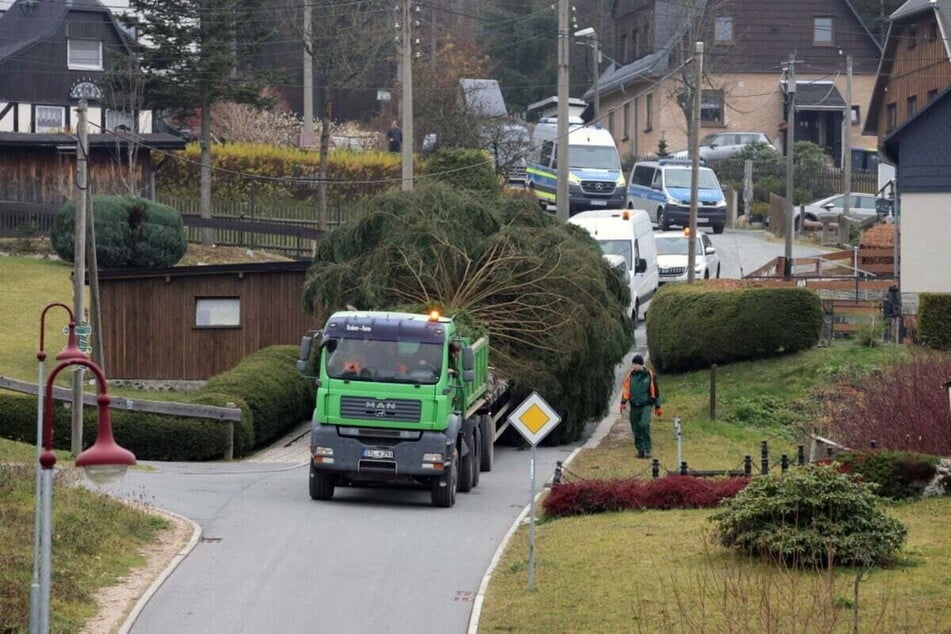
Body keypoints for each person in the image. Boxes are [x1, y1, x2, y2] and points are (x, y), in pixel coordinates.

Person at [620, 354, 662, 459]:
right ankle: (640, 450)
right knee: (635, 428)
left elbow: (656, 391)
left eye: (635, 364)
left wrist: (657, 406)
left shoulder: (649, 375)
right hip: (634, 405)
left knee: (644, 424)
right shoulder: (630, 376)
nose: (633, 366)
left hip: (646, 404)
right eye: (633, 364)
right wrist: (623, 402)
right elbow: (626, 390)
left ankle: (648, 449)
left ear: (641, 364)